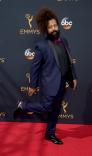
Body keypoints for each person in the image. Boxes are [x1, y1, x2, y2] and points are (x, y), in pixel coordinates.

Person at [13, 7, 77, 145]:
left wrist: (74, 77)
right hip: (50, 84)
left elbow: (70, 61)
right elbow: (35, 67)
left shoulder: (64, 41)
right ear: (45, 29)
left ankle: (50, 134)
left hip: (62, 83)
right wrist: (32, 86)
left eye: (55, 25)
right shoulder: (41, 46)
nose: (53, 28)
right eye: (50, 27)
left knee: (55, 111)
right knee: (48, 107)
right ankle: (23, 106)